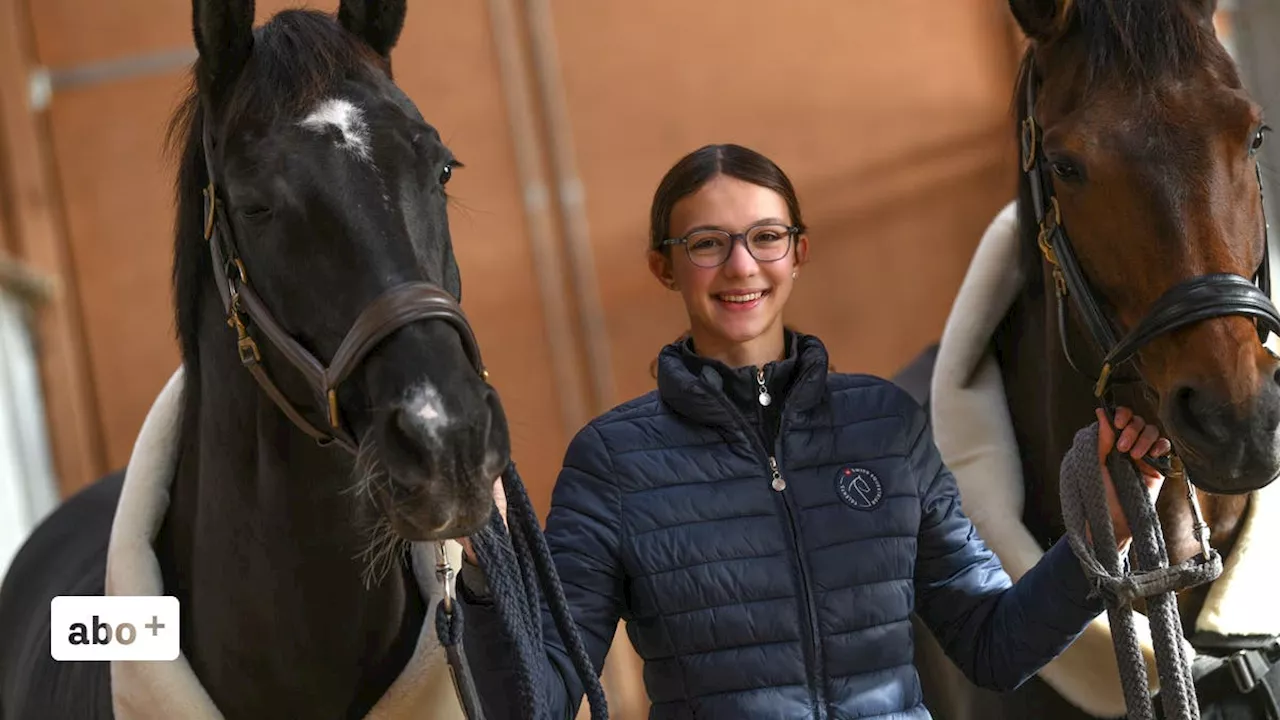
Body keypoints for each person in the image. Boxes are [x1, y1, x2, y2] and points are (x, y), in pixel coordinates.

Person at [452, 143, 1170, 719]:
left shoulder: (885, 425)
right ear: (662, 266)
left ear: (798, 252)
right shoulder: (612, 461)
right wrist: (489, 573)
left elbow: (993, 645)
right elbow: (539, 701)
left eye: (766, 238)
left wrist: (1099, 534)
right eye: (707, 243)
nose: (741, 266)